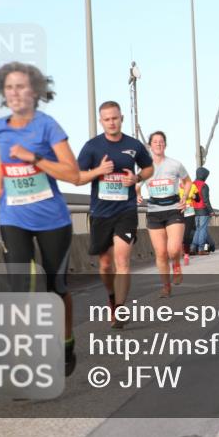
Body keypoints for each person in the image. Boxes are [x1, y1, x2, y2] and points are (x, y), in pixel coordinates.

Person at [0, 62, 80, 375]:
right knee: (20, 288)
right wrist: (0, 183)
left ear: (35, 91)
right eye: (9, 87)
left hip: (52, 218)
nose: (15, 93)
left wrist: (34, 158)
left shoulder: (48, 126)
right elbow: (3, 154)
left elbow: (73, 173)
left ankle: (66, 342)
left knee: (56, 288)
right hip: (13, 217)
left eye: (21, 86)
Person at [75, 101, 153, 329]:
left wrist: (137, 178)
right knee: (106, 264)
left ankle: (119, 308)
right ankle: (111, 297)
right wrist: (99, 171)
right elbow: (78, 177)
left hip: (126, 211)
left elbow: (149, 168)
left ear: (121, 119)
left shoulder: (133, 145)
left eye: (115, 118)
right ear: (102, 121)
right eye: (107, 119)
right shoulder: (92, 147)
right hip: (100, 213)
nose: (111, 122)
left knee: (122, 261)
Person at [140, 131, 191, 298]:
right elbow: (135, 185)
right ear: (150, 145)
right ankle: (166, 286)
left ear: (165, 145)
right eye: (155, 142)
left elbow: (188, 181)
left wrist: (184, 197)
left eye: (161, 141)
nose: (159, 144)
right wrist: (137, 195)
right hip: (154, 211)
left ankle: (176, 263)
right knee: (161, 253)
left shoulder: (175, 164)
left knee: (173, 249)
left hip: (173, 208)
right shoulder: (145, 168)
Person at [189, 167, 215, 255]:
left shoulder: (191, 184)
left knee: (198, 229)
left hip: (194, 210)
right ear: (204, 175)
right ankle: (201, 249)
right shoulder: (204, 185)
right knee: (203, 229)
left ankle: (192, 248)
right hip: (203, 210)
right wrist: (211, 211)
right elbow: (206, 200)